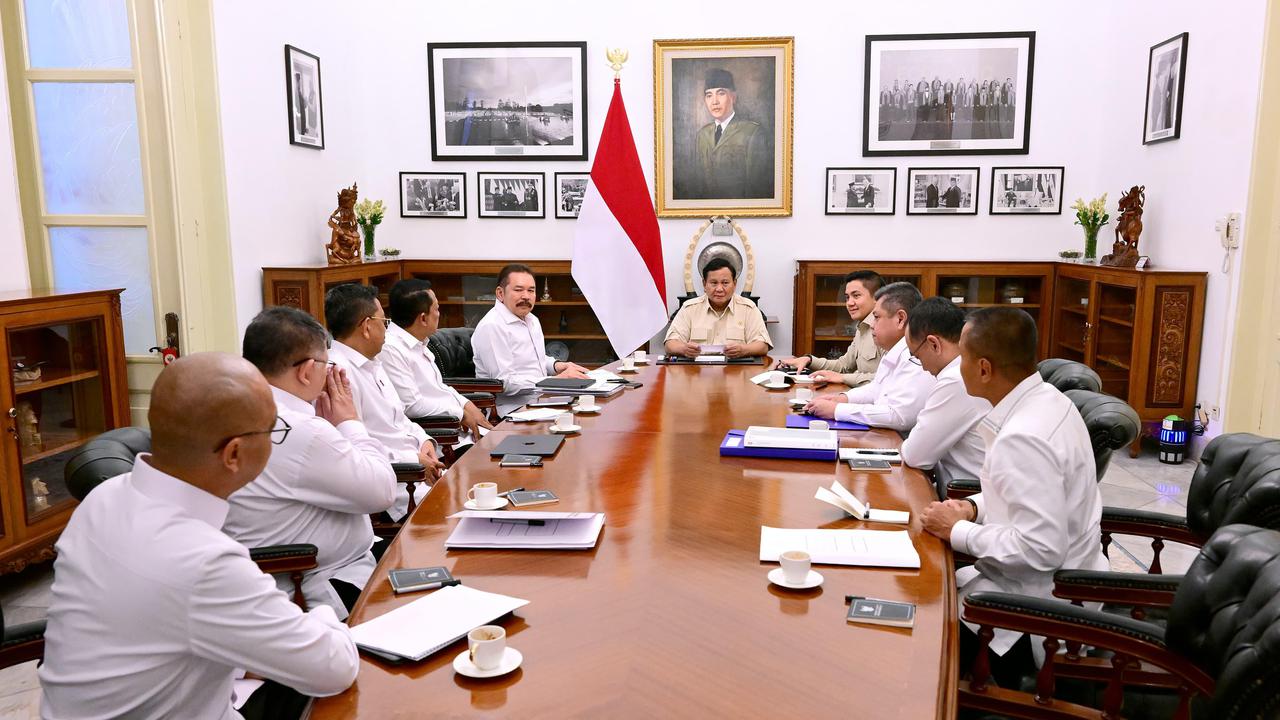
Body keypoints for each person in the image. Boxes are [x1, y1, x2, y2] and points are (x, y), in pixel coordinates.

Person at [39, 353, 358, 720]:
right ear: (234, 453)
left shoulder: (103, 499)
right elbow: (333, 668)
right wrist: (320, 615)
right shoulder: (203, 561)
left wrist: (245, 657)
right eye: (273, 431)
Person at [920, 308, 1108, 684]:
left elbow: (1040, 547)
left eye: (964, 359)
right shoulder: (1050, 400)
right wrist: (973, 507)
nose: (959, 368)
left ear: (984, 369)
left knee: (910, 638)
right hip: (1052, 584)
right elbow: (1025, 493)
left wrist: (957, 531)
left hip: (1030, 615)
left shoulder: (1024, 436)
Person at [224, 307, 396, 618]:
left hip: (277, 578)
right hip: (321, 586)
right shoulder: (302, 429)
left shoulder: (239, 407)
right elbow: (382, 491)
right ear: (306, 371)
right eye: (327, 365)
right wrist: (349, 422)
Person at [324, 284, 443, 521]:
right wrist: (412, 460)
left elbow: (399, 418)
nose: (387, 330)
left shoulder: (373, 362)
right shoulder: (338, 375)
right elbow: (353, 448)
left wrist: (423, 440)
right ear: (367, 326)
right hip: (400, 487)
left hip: (420, 471)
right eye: (383, 322)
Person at [803, 282, 934, 430]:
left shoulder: (916, 357)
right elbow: (876, 390)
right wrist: (841, 399)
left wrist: (837, 410)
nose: (872, 324)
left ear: (900, 319)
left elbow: (900, 416)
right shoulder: (895, 350)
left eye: (877, 317)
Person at [381, 278, 494, 443]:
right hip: (439, 439)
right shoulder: (390, 349)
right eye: (437, 309)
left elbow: (438, 388)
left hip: (459, 431)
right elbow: (412, 406)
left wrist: (466, 404)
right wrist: (460, 413)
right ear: (423, 319)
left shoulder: (419, 340)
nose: (439, 314)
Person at [471, 263, 589, 415]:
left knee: (587, 408)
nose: (526, 296)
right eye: (518, 290)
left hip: (540, 398)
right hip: (510, 409)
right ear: (500, 293)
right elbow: (505, 383)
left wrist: (557, 366)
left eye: (531, 290)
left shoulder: (531, 320)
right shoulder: (492, 326)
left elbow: (533, 359)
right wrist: (554, 382)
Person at [898, 298, 990, 485]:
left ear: (934, 344)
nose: (922, 367)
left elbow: (915, 455)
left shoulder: (956, 379)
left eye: (917, 356)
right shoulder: (968, 369)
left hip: (964, 497)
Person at [778, 270, 884, 387]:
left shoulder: (887, 329)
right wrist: (809, 360)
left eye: (856, 296)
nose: (849, 303)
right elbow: (844, 365)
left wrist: (843, 378)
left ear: (877, 297)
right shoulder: (863, 327)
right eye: (847, 297)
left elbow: (888, 378)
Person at [664, 257, 772, 359]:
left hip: (736, 371)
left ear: (734, 284)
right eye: (714, 283)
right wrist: (684, 349)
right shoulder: (690, 308)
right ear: (704, 284)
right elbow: (670, 344)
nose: (719, 289)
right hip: (697, 372)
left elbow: (762, 345)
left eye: (725, 283)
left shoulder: (748, 308)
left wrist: (743, 349)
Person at [693, 68, 772, 199]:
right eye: (709, 95)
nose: (714, 101)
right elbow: (698, 184)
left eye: (721, 93)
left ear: (733, 97)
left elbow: (756, 188)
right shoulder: (702, 134)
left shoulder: (752, 132)